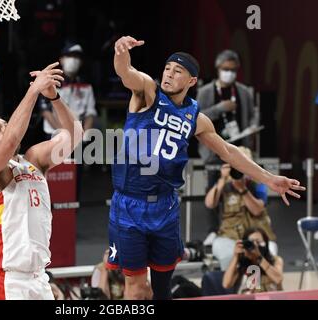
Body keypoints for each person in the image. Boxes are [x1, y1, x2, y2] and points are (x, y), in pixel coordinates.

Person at [107, 35, 304, 300]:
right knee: (137, 287)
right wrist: (121, 51)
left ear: (191, 81)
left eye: (177, 71)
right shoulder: (147, 93)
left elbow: (228, 152)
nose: (168, 74)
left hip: (164, 207)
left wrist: (269, 179)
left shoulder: (195, 118)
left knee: (163, 287)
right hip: (129, 204)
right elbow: (126, 72)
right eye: (166, 69)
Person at [0, 62, 83, 300]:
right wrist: (33, 91)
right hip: (5, 278)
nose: (5, 128)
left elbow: (75, 135)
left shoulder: (33, 159)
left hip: (38, 277)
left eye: (5, 124)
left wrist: (54, 98)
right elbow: (10, 141)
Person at [197, 50, 256, 245]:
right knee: (214, 188)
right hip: (214, 150)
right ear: (218, 69)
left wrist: (252, 126)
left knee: (242, 188)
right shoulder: (206, 91)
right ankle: (213, 230)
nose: (229, 73)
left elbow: (252, 114)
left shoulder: (244, 91)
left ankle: (244, 228)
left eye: (232, 70)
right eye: (225, 69)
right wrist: (220, 108)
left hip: (239, 148)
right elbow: (197, 116)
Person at [205, 146, 278, 270]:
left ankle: (254, 287)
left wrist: (243, 189)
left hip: (256, 234)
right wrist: (222, 180)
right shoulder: (224, 184)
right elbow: (210, 204)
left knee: (264, 255)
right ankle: (232, 287)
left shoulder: (257, 183)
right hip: (229, 236)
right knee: (227, 256)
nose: (240, 170)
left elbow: (257, 209)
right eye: (236, 165)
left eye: (243, 165)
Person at [39, 43, 97, 140]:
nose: (73, 60)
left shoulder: (86, 86)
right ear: (61, 59)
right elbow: (45, 110)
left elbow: (90, 113)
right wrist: (62, 133)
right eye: (69, 56)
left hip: (78, 137)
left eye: (76, 57)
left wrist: (85, 135)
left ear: (81, 62)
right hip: (54, 135)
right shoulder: (51, 81)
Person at [223, 227, 284, 294]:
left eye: (258, 242)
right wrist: (235, 256)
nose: (255, 246)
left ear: (265, 244)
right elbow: (226, 284)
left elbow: (278, 279)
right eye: (251, 242)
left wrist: (259, 258)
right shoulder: (241, 263)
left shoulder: (276, 260)